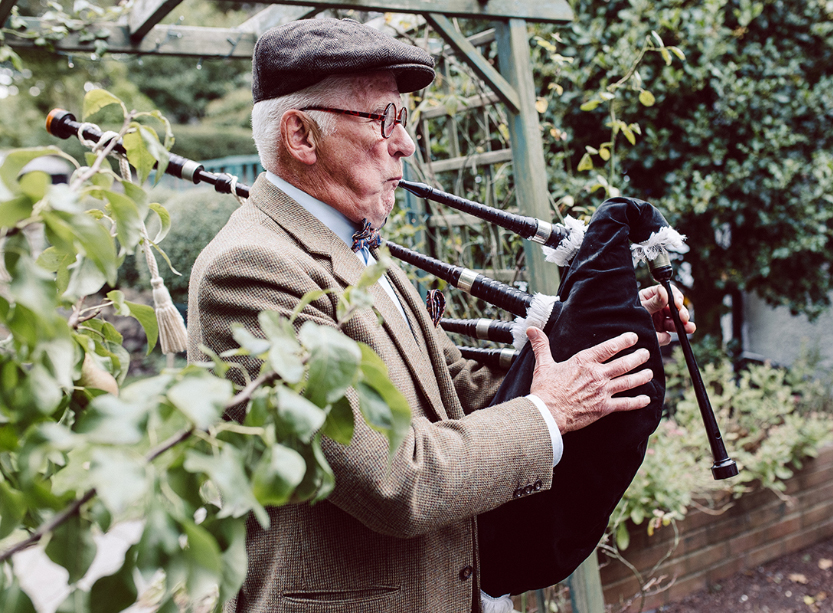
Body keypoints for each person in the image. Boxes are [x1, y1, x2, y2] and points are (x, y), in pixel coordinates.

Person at [186, 17, 694, 613]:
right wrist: (550, 411)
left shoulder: (359, 246)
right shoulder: (250, 271)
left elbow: (458, 394)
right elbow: (396, 481)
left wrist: (599, 335)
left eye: (407, 119)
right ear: (301, 136)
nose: (406, 143)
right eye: (385, 119)